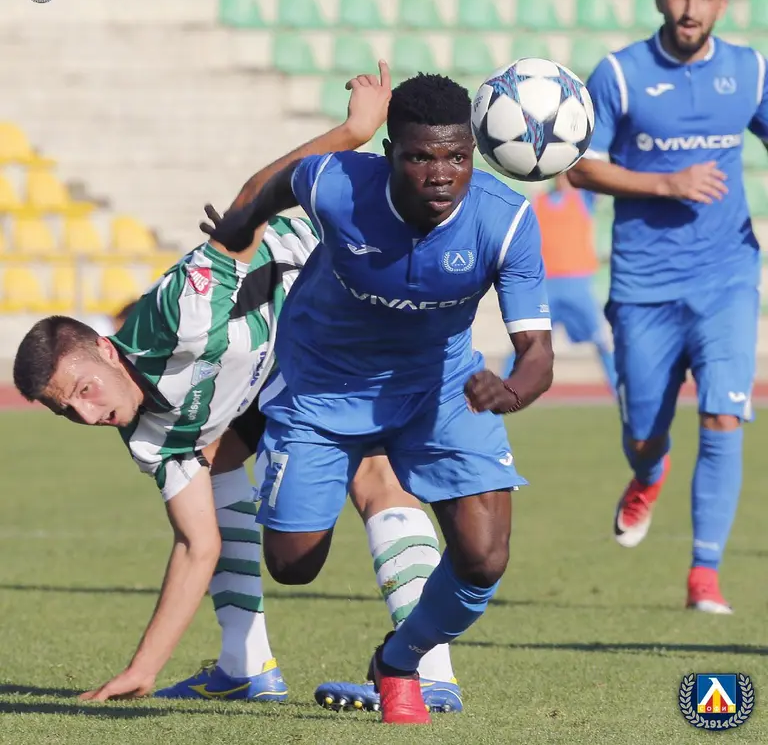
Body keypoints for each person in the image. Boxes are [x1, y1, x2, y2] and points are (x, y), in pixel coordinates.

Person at [11, 67, 462, 710]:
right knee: (212, 460)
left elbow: (251, 199)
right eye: (67, 411)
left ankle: (429, 670)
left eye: (84, 388)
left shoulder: (180, 312)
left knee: (373, 474)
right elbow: (197, 544)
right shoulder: (147, 436)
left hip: (340, 289)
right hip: (281, 361)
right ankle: (245, 665)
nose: (88, 413)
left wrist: (354, 131)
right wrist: (143, 668)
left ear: (107, 350)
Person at [200, 71, 554, 724]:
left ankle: (400, 660)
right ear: (390, 153)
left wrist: (509, 391)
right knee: (293, 565)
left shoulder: (504, 221)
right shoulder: (335, 183)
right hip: (322, 385)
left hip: (440, 388)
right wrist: (237, 236)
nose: (441, 175)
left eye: (457, 157)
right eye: (420, 157)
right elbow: (266, 190)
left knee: (484, 559)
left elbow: (538, 354)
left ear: (474, 153)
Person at [567, 0, 766, 614]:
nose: (690, 10)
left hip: (727, 277)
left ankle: (704, 574)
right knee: (644, 437)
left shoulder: (750, 71)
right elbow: (580, 168)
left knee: (723, 414)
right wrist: (666, 183)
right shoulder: (619, 75)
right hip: (644, 286)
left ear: (723, 4)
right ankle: (649, 473)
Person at [503, 173, 617, 394]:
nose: (564, 181)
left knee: (601, 341)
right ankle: (505, 388)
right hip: (545, 286)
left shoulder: (583, 199)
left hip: (578, 284)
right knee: (526, 339)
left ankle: (620, 391)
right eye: (561, 176)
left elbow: (600, 183)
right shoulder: (537, 201)